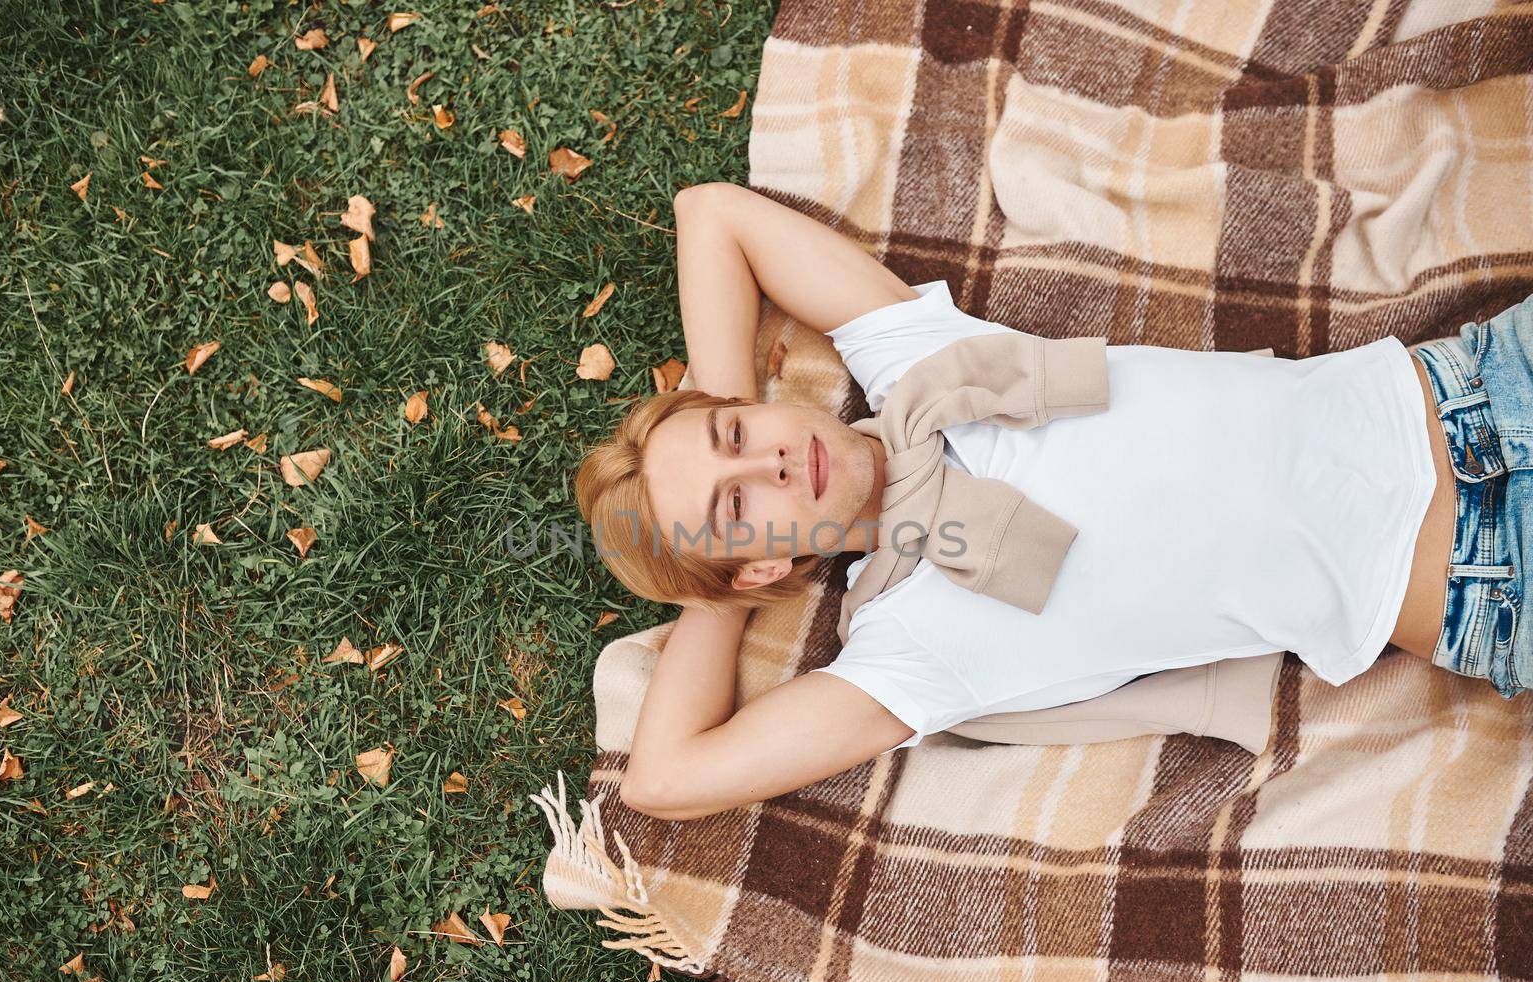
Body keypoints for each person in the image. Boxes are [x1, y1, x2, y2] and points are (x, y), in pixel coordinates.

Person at [575, 181, 1529, 821]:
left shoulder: (915, 365)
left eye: (741, 440)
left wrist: (716, 405)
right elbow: (666, 779)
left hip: (1477, 381)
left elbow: (711, 214)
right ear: (767, 564)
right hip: (1485, 575)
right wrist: (718, 590)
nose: (772, 467)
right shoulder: (906, 650)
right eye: (737, 510)